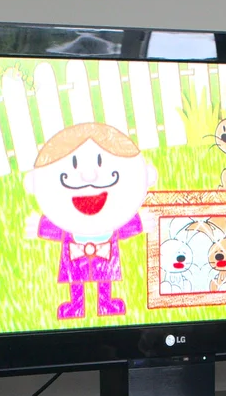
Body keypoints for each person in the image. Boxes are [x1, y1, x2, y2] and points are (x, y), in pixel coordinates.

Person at [23, 122, 157, 319]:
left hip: (106, 252)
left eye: (101, 162)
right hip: (75, 253)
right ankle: (76, 307)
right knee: (76, 282)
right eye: (74, 164)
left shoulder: (115, 218)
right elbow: (58, 231)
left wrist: (139, 223)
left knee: (105, 281)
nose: (89, 176)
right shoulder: (66, 221)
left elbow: (121, 230)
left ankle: (106, 304)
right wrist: (40, 227)